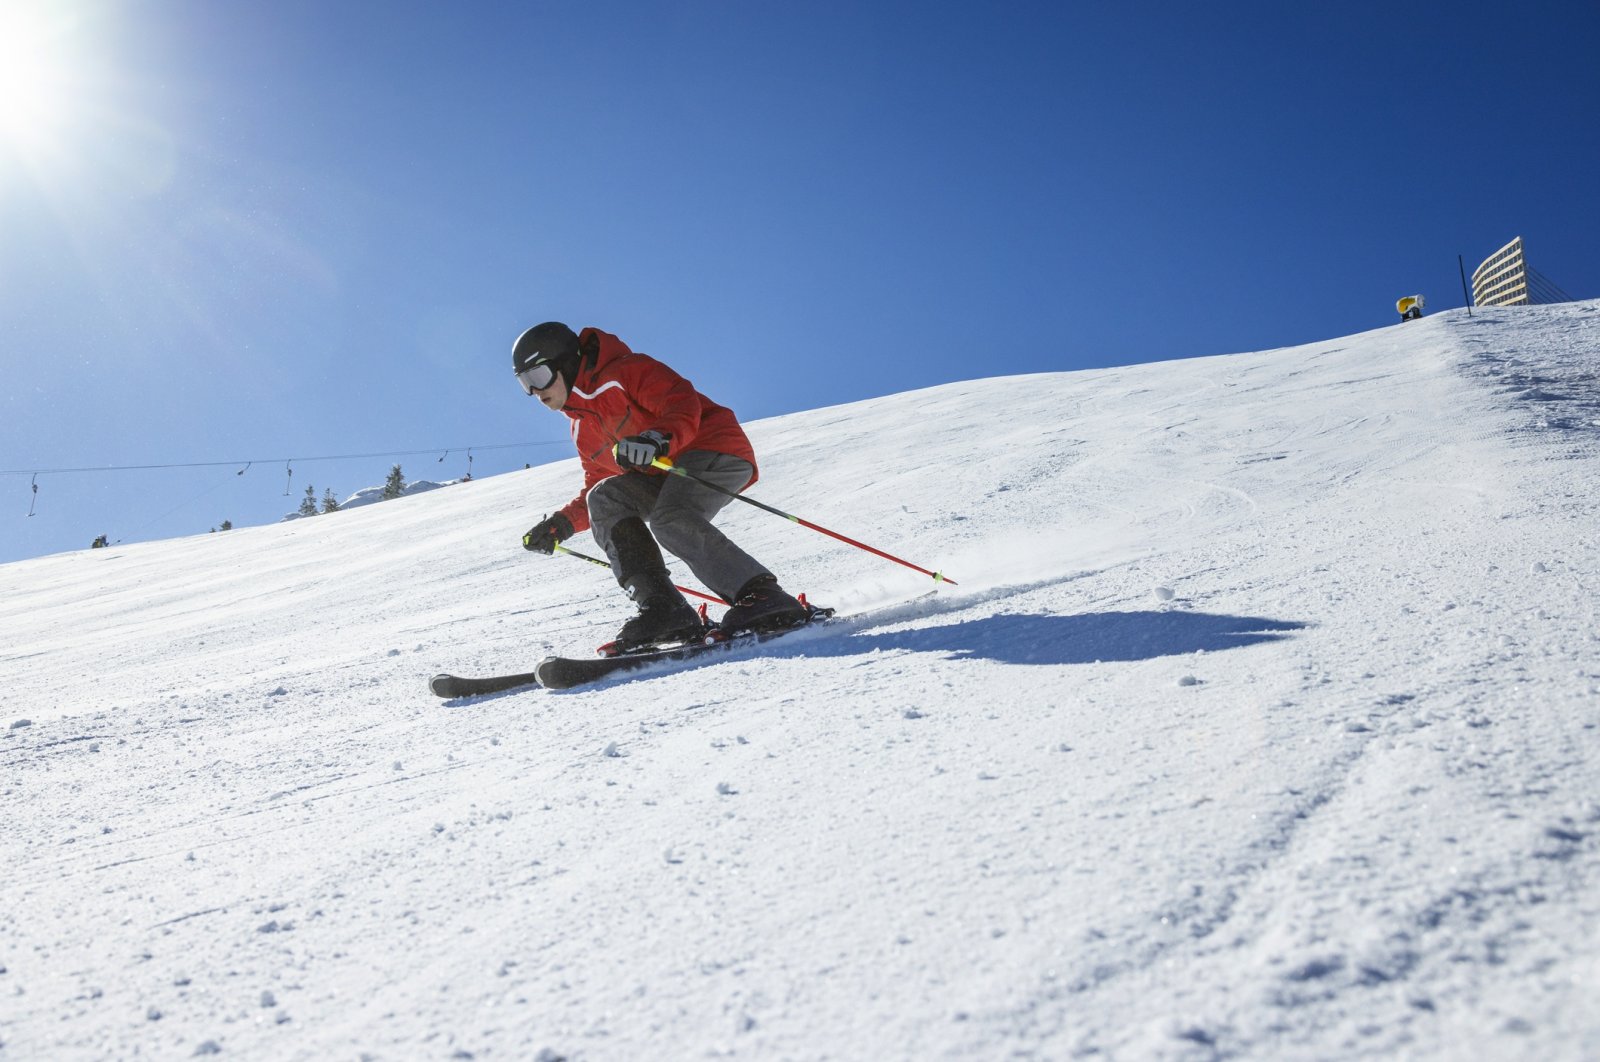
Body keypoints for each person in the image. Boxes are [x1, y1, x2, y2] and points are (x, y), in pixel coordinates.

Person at [513, 322, 806, 648]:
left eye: (538, 376)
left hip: (713, 446)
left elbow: (681, 402)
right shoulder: (581, 428)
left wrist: (657, 438)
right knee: (605, 497)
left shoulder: (626, 372)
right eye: (525, 383)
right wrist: (560, 525)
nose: (535, 391)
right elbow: (597, 482)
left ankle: (763, 595)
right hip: (664, 476)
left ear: (566, 363)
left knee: (670, 516)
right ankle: (665, 610)